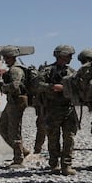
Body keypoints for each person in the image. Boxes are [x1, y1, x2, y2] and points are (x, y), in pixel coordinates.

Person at [35, 45, 77, 174]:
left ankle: (67, 165)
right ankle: (54, 164)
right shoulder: (47, 71)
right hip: (52, 109)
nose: (71, 58)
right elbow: (37, 85)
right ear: (61, 56)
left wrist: (67, 89)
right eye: (68, 55)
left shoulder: (71, 71)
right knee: (53, 137)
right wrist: (52, 87)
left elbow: (78, 87)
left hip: (68, 109)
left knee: (69, 137)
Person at [0, 46, 31, 167]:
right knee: (2, 126)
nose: (5, 59)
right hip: (12, 101)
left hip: (17, 101)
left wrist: (3, 86)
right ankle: (22, 151)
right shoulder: (12, 69)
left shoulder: (15, 70)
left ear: (11, 57)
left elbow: (15, 86)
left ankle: (18, 159)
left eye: (6, 57)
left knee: (14, 130)